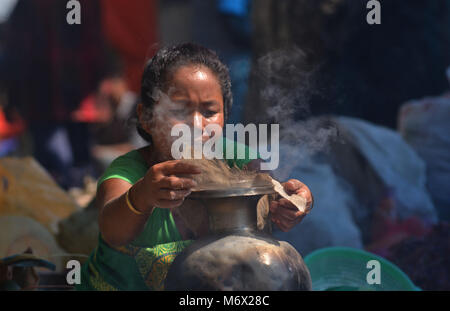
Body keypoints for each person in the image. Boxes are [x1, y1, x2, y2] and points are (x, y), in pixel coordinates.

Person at [77, 43, 312, 291]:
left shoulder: (238, 160)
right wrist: (143, 194)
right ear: (146, 117)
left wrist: (293, 203)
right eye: (180, 110)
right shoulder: (129, 172)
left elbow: (271, 192)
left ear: (225, 117)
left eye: (210, 111)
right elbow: (113, 231)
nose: (197, 125)